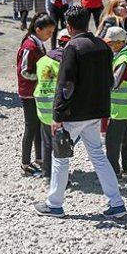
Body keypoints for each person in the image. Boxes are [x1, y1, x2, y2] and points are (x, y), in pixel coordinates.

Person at [34, 6, 127, 219]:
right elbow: (109, 80)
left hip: (74, 115)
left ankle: (54, 204)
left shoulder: (72, 48)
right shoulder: (103, 47)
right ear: (88, 23)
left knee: (61, 156)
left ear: (68, 25)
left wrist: (57, 115)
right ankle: (116, 203)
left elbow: (65, 85)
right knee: (98, 157)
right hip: (96, 112)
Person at [17, 13, 56, 176]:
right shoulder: (29, 46)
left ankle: (40, 159)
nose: (50, 36)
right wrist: (41, 77)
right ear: (38, 29)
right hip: (28, 93)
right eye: (48, 32)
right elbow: (24, 71)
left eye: (52, 33)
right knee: (31, 127)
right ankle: (25, 163)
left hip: (37, 92)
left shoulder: (38, 44)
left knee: (40, 126)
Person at [104, 26, 127, 178]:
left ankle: (113, 171)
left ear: (120, 43)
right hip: (126, 107)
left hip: (120, 108)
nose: (108, 45)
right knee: (126, 138)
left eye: (111, 43)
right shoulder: (122, 55)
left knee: (112, 140)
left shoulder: (123, 59)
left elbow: (113, 83)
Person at [33, 29, 71, 179]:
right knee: (61, 142)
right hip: (58, 106)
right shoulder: (67, 61)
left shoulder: (43, 60)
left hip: (42, 104)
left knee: (47, 141)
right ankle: (60, 177)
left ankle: (47, 173)